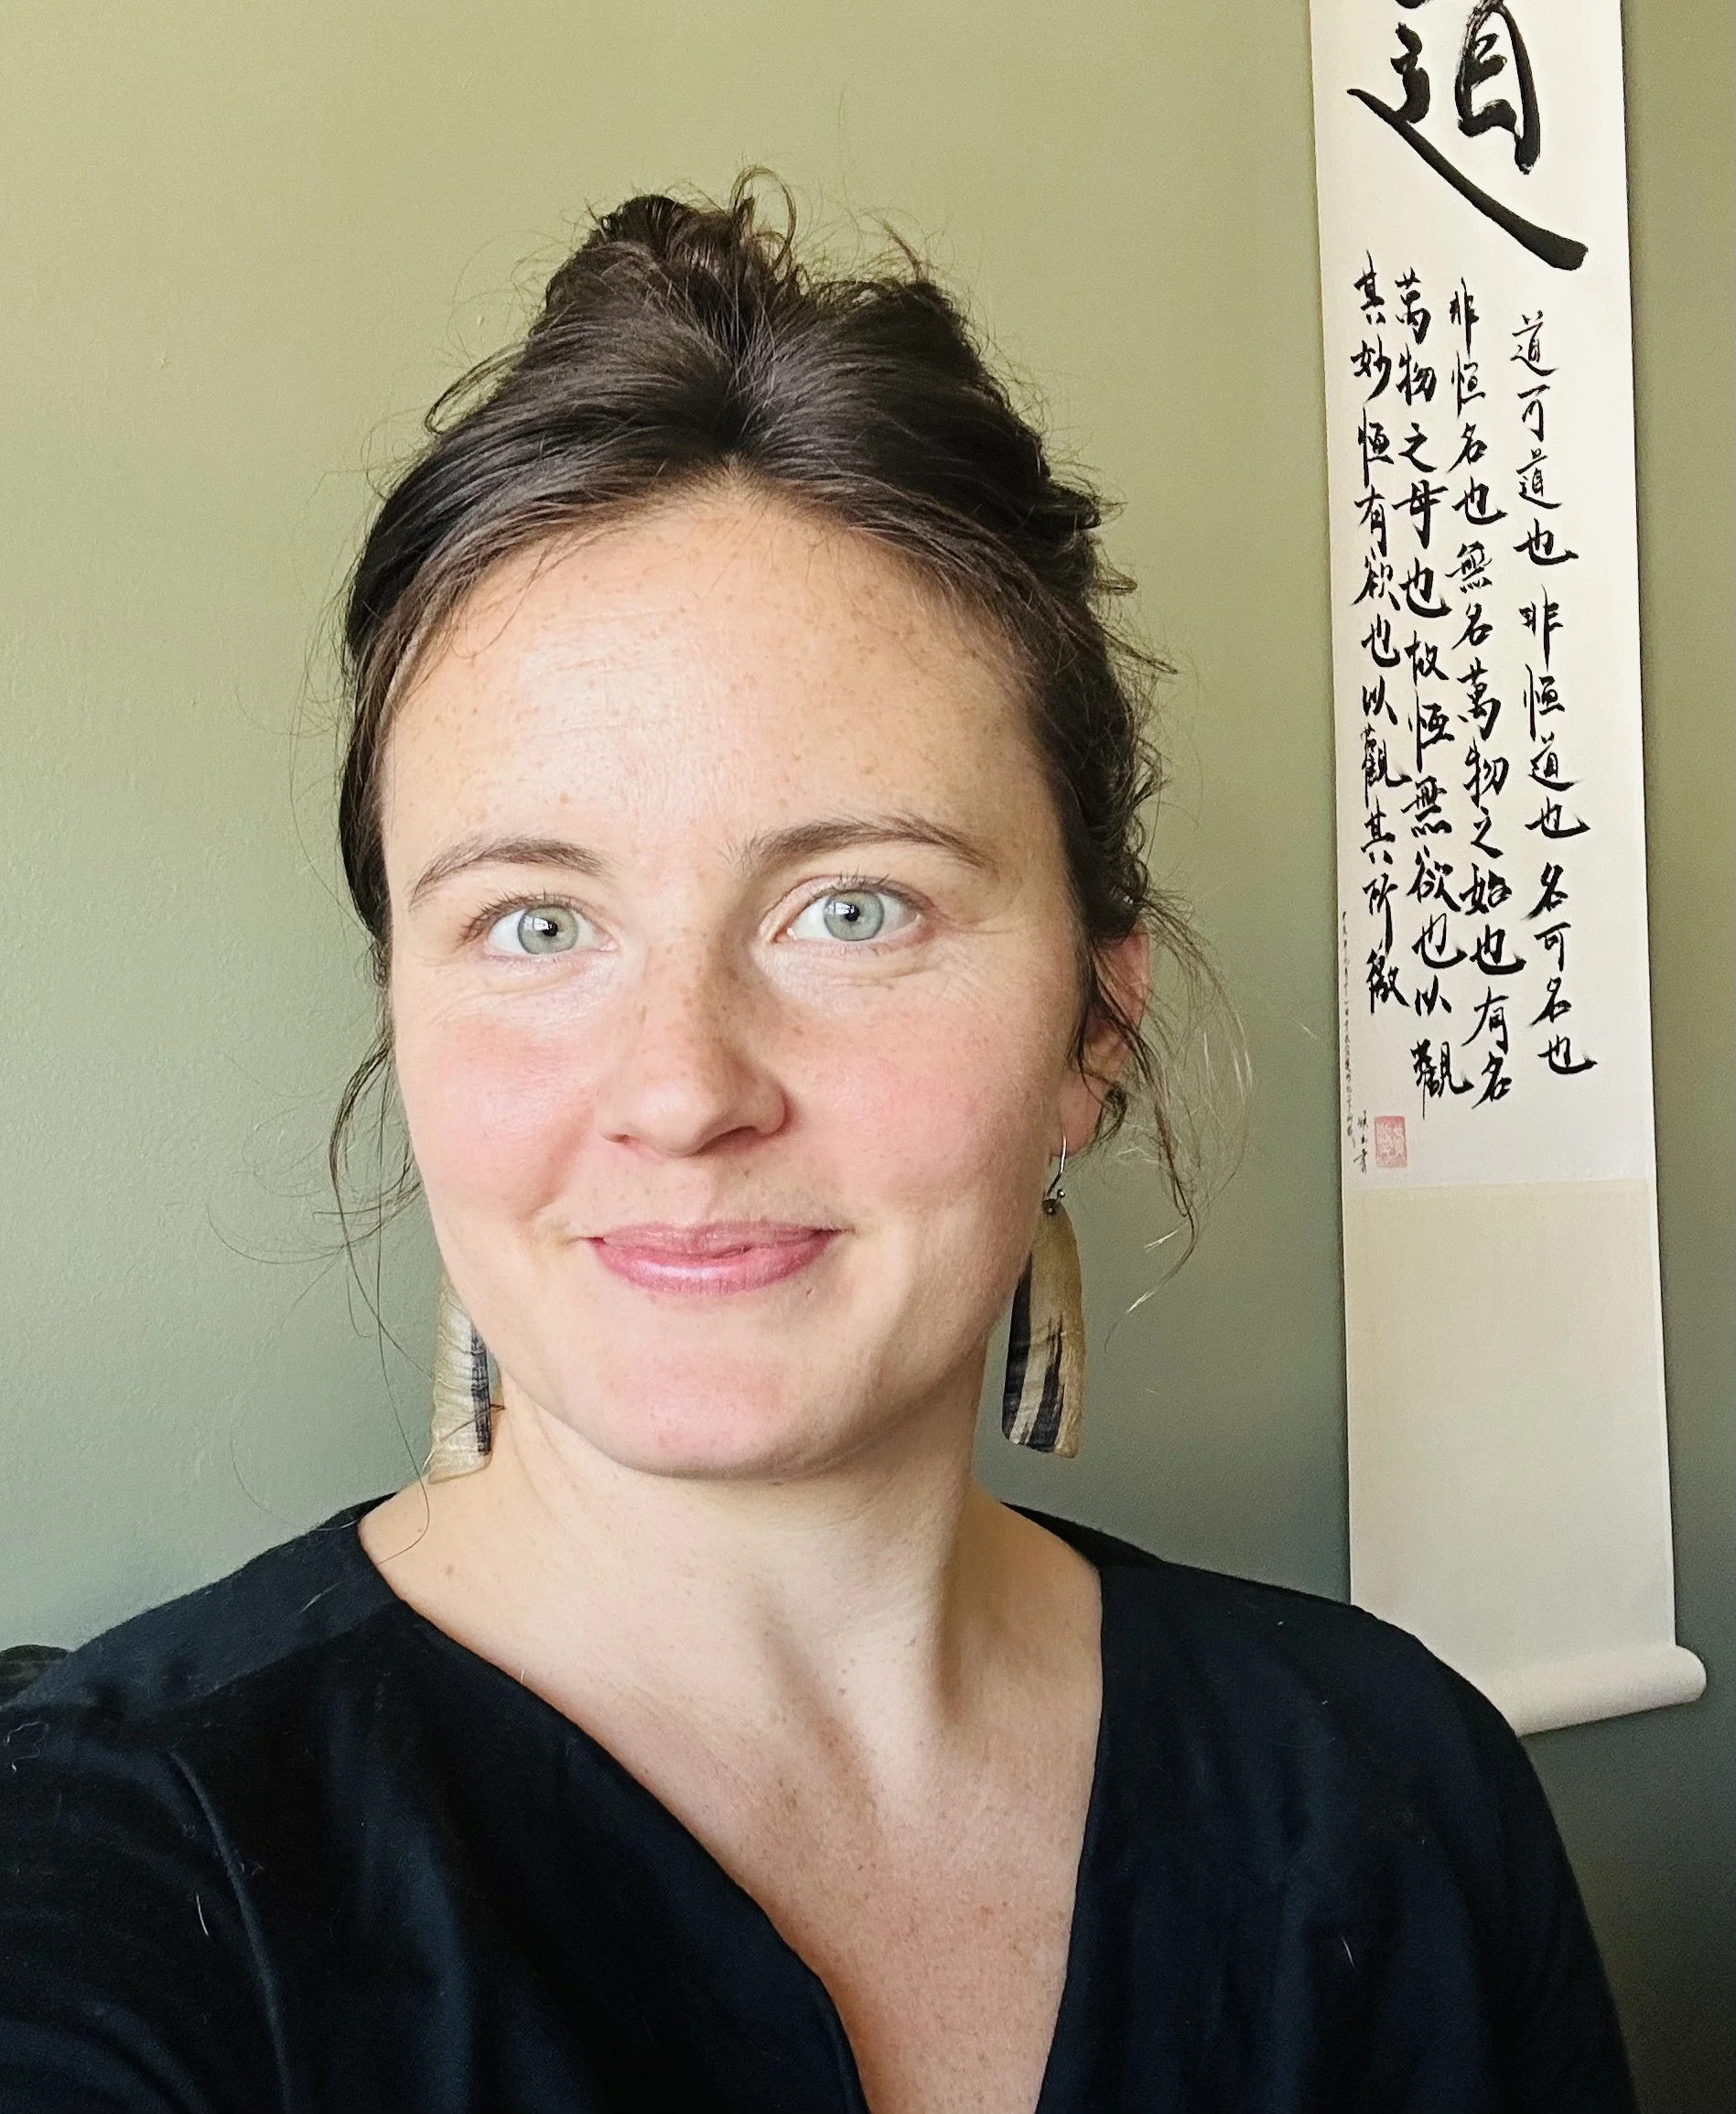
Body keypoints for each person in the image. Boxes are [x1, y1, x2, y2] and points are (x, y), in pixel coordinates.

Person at [0, 182, 1634, 2114]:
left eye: (852, 909)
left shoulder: (1392, 1794)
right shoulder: (100, 1889)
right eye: (537, 924)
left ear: (1091, 1028)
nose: (683, 1088)